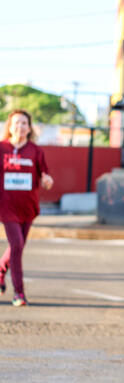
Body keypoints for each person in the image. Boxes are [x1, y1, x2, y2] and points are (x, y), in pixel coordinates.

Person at [0, 110, 53, 306]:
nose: (20, 127)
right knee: (16, 245)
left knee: (18, 246)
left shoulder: (35, 151)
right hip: (6, 206)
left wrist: (47, 180)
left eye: (24, 123)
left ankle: (0, 272)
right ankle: (19, 293)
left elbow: (45, 175)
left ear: (29, 128)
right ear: (10, 126)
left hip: (28, 206)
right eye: (16, 123)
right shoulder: (2, 148)